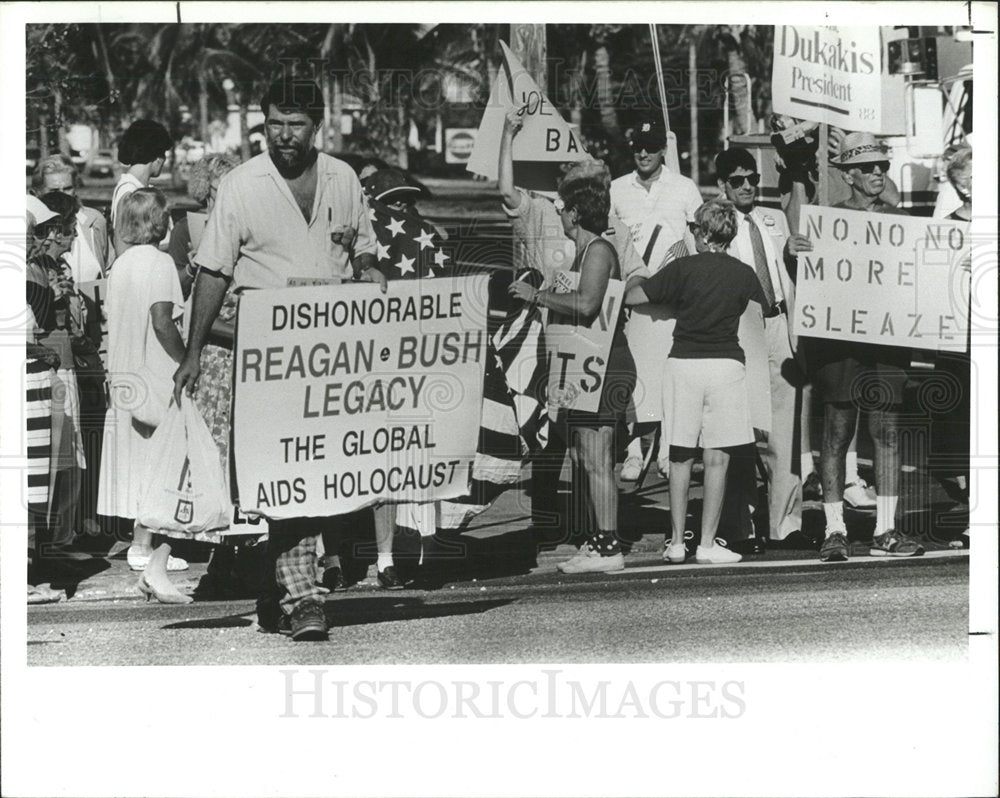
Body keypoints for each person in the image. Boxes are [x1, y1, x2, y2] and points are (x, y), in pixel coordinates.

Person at [173, 75, 385, 641]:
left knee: (323, 472)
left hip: (334, 356)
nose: (284, 136)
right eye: (274, 125)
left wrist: (370, 274)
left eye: (296, 125)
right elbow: (213, 271)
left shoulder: (343, 179)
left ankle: (280, 587)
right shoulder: (241, 185)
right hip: (267, 358)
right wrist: (193, 352)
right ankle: (303, 596)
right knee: (291, 472)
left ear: (318, 126)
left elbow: (363, 250)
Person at [498, 105, 648, 544]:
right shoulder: (546, 214)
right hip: (553, 347)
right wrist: (508, 135)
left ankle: (596, 533)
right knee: (549, 440)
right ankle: (552, 523)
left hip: (596, 353)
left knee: (591, 448)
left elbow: (637, 278)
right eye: (580, 186)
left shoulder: (614, 232)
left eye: (595, 185)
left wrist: (624, 299)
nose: (588, 193)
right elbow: (507, 191)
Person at [623, 199, 771, 565]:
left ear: (703, 234)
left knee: (679, 455)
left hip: (683, 364)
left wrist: (640, 276)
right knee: (717, 457)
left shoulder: (682, 268)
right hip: (726, 366)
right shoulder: (743, 274)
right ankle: (707, 543)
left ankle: (675, 542)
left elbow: (635, 295)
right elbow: (762, 311)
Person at [509, 160, 636, 574]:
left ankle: (609, 545)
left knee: (598, 460)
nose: (559, 214)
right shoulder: (581, 251)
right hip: (585, 365)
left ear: (576, 213)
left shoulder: (599, 249)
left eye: (563, 208)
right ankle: (596, 542)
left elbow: (587, 303)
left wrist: (537, 297)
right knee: (582, 458)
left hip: (606, 365)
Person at [804, 132, 924, 561]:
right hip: (841, 342)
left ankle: (886, 529)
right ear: (850, 175)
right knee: (837, 432)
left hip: (888, 340)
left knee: (887, 432)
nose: (878, 174)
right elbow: (806, 269)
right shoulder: (829, 219)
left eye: (883, 167)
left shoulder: (902, 223)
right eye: (869, 168)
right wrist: (792, 249)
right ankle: (834, 528)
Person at [715, 148, 814, 547]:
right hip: (740, 326)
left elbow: (797, 233)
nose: (746, 187)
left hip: (778, 322)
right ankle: (739, 525)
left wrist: (792, 253)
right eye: (737, 181)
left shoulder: (770, 218)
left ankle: (786, 525)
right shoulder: (714, 223)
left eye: (752, 179)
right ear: (723, 185)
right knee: (741, 428)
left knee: (785, 431)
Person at [97, 188, 193, 603]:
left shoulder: (121, 265)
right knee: (159, 457)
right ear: (159, 222)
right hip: (152, 369)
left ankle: (139, 541)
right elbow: (161, 320)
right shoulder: (159, 263)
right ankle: (144, 545)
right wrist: (187, 357)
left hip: (122, 369)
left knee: (133, 458)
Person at [610, 117, 703, 482]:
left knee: (672, 375)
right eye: (638, 147)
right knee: (633, 376)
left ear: (664, 150)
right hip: (632, 298)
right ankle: (634, 448)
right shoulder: (617, 189)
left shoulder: (683, 187)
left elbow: (697, 238)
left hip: (674, 300)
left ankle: (667, 447)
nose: (644, 153)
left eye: (651, 147)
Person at [26, 197, 67, 604]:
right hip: (23, 388)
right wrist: (43, 352)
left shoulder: (29, 273)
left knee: (33, 484)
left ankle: (30, 569)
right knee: (25, 483)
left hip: (31, 387)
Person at [169, 152, 242, 298]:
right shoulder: (185, 228)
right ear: (206, 186)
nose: (227, 194)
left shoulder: (243, 224)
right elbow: (173, 287)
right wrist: (192, 268)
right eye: (220, 188)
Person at [33, 154, 111, 281]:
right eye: (54, 191)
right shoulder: (31, 227)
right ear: (38, 193)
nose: (62, 195)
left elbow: (108, 267)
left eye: (68, 188)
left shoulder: (94, 220)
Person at [110, 119, 173, 257]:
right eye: (163, 154)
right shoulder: (129, 192)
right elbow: (123, 250)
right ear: (157, 157)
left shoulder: (139, 187)